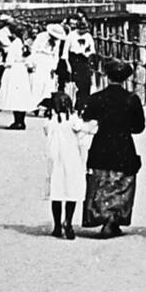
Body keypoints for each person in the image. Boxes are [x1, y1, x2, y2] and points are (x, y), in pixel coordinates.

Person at [80, 58, 146, 238]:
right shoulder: (132, 99)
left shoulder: (96, 98)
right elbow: (139, 127)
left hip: (101, 144)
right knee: (123, 182)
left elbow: (87, 119)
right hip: (123, 144)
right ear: (125, 78)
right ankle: (114, 218)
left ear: (107, 76)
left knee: (101, 181)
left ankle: (102, 215)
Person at [42, 91, 91, 240]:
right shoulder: (74, 121)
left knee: (56, 192)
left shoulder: (50, 122)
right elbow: (83, 138)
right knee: (71, 191)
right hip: (72, 158)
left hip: (55, 159)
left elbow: (47, 133)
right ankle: (68, 222)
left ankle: (57, 225)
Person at [0, 21, 33, 130]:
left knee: (15, 95)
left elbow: (10, 60)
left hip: (15, 70)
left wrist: (4, 64)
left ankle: (18, 121)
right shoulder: (24, 43)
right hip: (22, 70)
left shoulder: (15, 43)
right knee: (21, 95)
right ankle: (21, 120)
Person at [66, 18, 96, 106]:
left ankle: (83, 103)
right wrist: (68, 65)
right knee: (77, 83)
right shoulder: (71, 36)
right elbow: (65, 53)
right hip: (74, 59)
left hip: (84, 59)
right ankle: (76, 103)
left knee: (86, 82)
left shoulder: (88, 36)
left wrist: (88, 54)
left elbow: (93, 50)